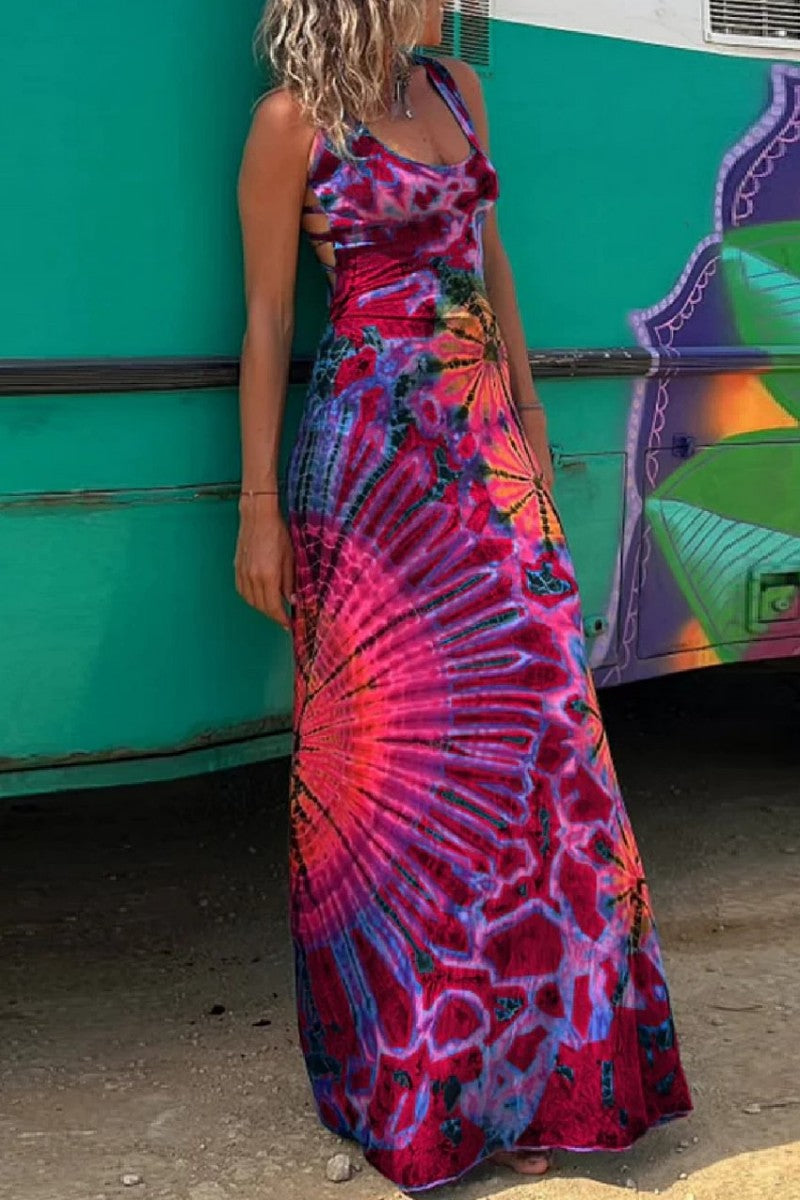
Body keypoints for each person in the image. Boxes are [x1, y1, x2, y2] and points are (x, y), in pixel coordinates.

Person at [234, 0, 693, 1191]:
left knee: (545, 731)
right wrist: (256, 507)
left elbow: (494, 266)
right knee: (401, 763)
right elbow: (270, 317)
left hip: (481, 442)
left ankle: (552, 1073)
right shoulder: (292, 122)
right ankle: (423, 1083)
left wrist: (531, 416)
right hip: (368, 465)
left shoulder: (453, 88)